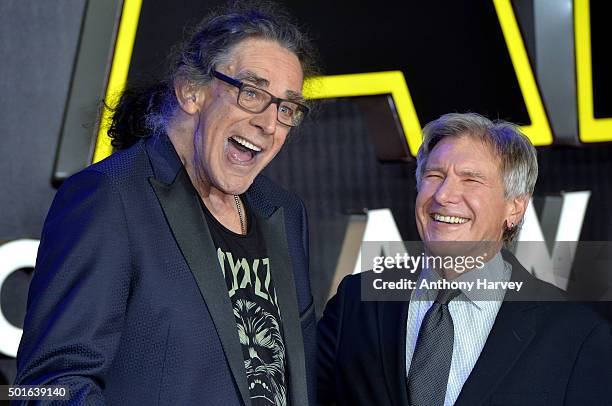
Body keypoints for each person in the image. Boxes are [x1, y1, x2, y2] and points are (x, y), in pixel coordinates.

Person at [15, 3, 319, 405]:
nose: (269, 123)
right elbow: (47, 387)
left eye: (286, 108)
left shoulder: (283, 211)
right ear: (191, 90)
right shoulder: (110, 196)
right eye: (251, 93)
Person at [317, 113, 611, 405]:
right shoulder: (354, 302)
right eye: (435, 175)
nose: (444, 195)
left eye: (471, 179)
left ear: (515, 208)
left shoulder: (576, 335)